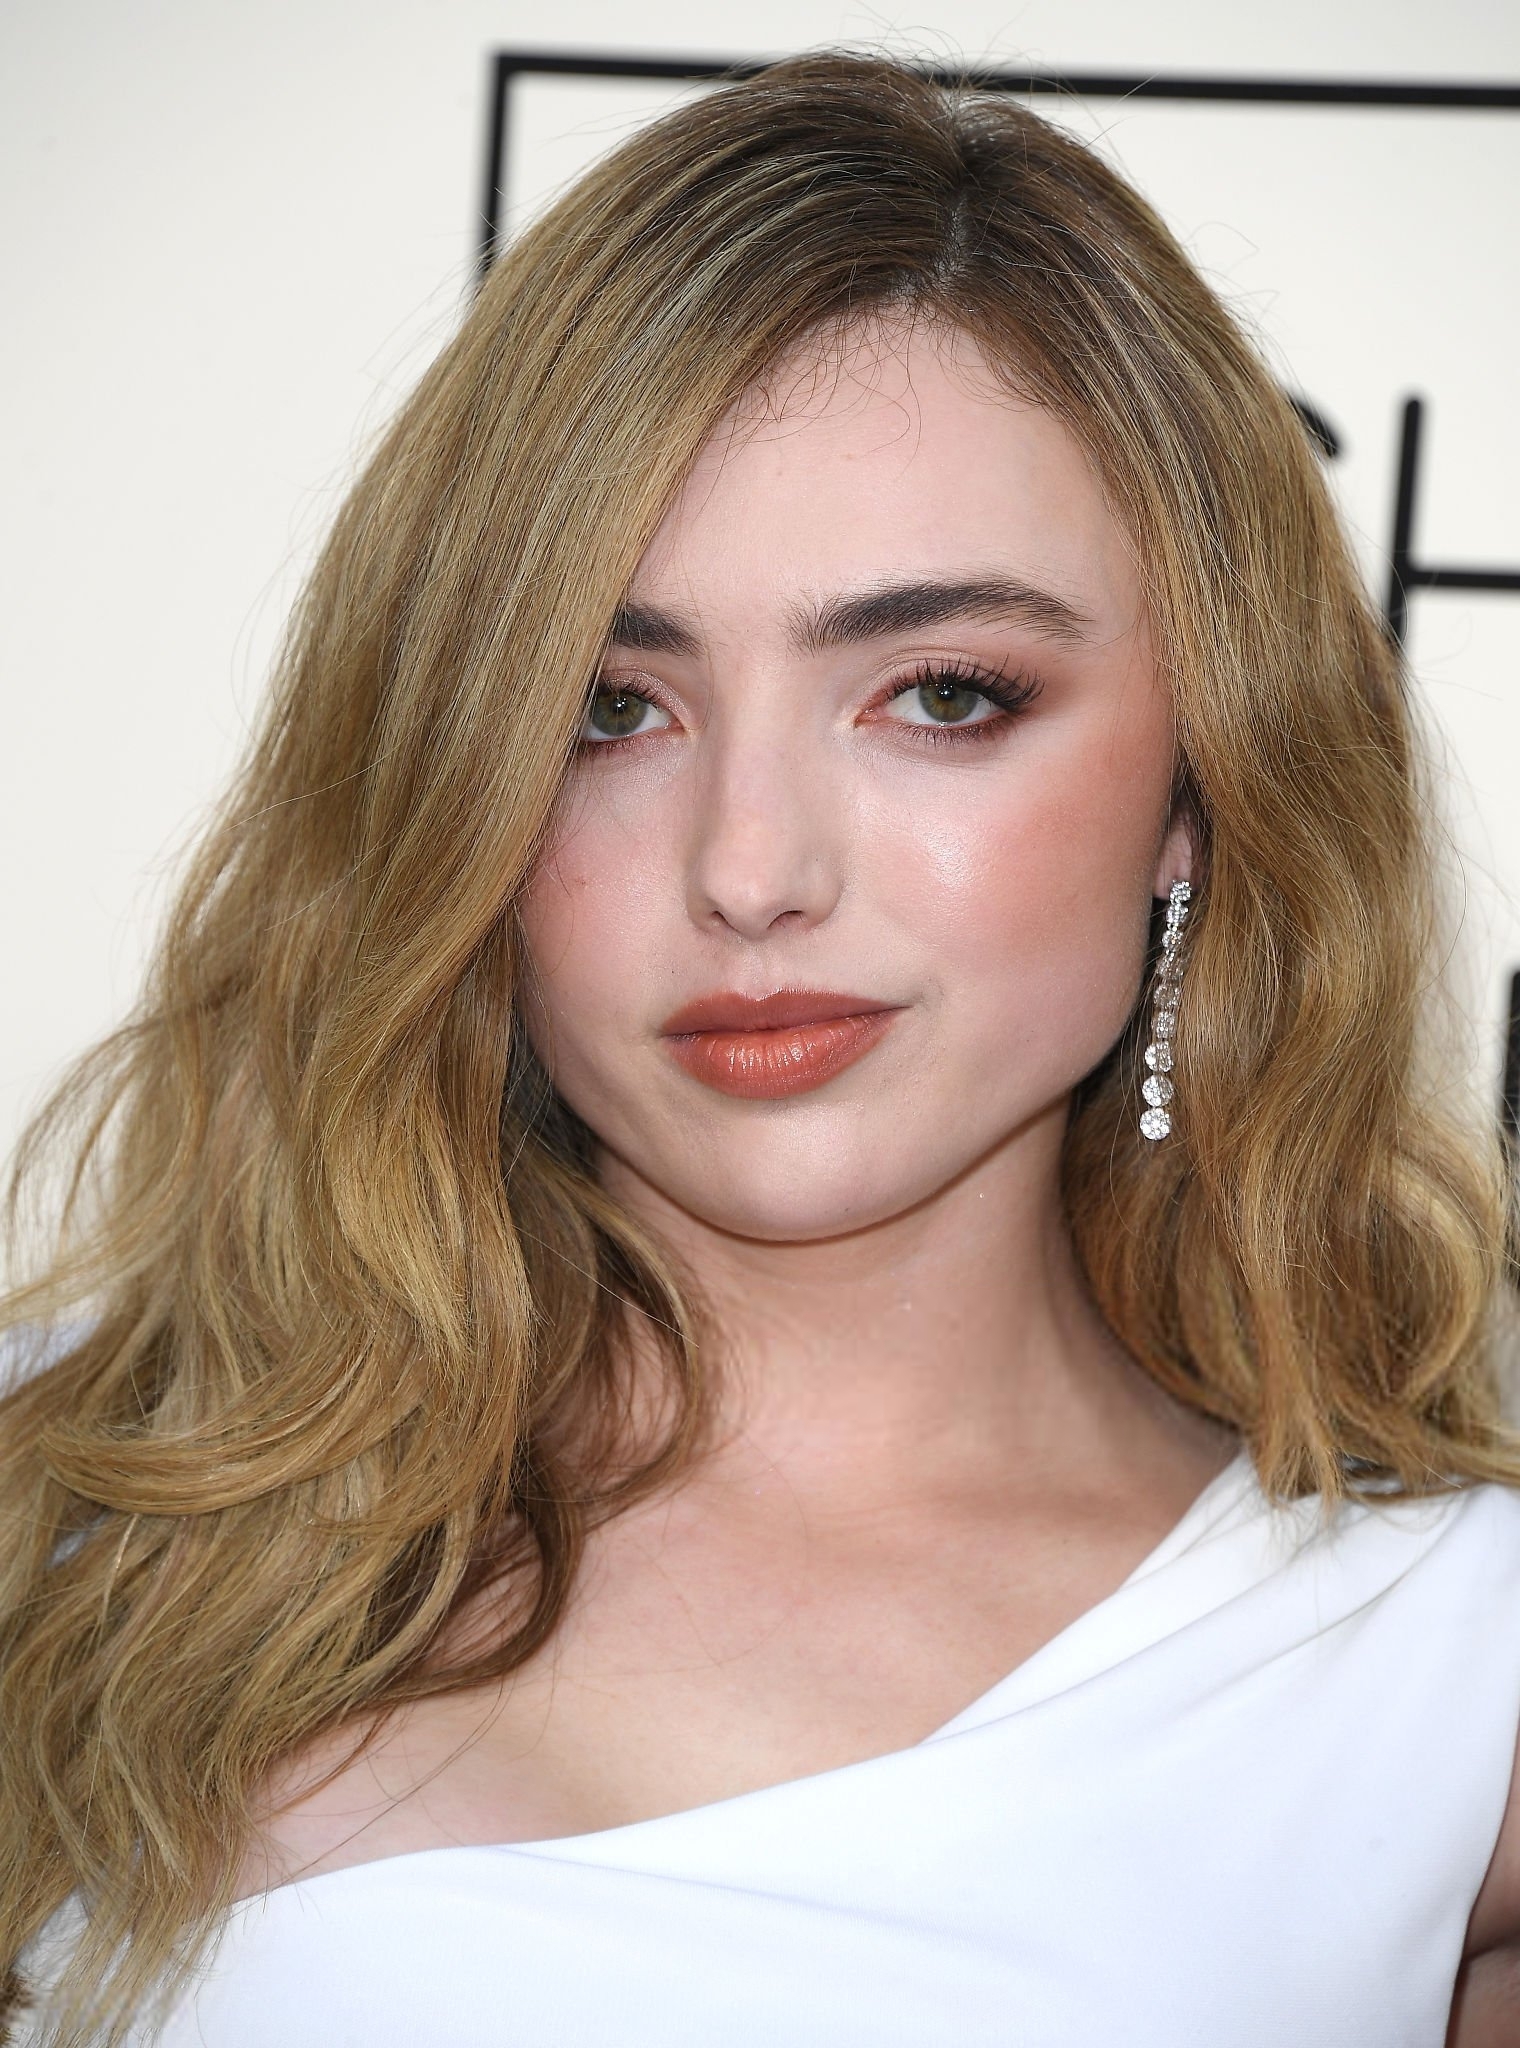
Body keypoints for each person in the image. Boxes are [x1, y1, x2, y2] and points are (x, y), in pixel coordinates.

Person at [2, 49, 1518, 2047]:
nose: (748, 870)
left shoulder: (1452, 1685)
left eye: (944, 694)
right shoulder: (76, 1522)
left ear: (1195, 783)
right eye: (608, 710)